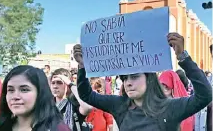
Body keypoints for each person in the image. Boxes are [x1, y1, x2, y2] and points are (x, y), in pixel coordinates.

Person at [73, 32, 212, 131]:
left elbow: (205, 95)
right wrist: (82, 67)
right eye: (125, 78)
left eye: (134, 77)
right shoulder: (119, 105)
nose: (128, 82)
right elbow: (87, 95)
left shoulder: (169, 108)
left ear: (149, 79)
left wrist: (183, 57)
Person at [0, 65, 70, 131]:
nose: (15, 96)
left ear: (40, 93)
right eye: (10, 90)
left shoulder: (57, 128)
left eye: (24, 90)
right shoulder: (2, 127)